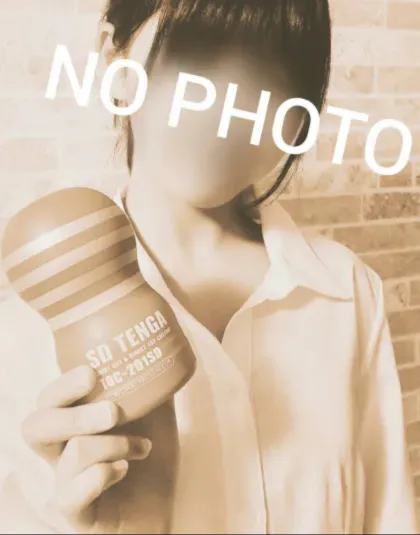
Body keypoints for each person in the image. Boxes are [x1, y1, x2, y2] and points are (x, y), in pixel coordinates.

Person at [0, 0, 418, 533]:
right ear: (115, 62)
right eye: (194, 54)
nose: (232, 106)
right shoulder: (23, 340)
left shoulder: (347, 291)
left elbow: (389, 519)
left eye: (274, 69)